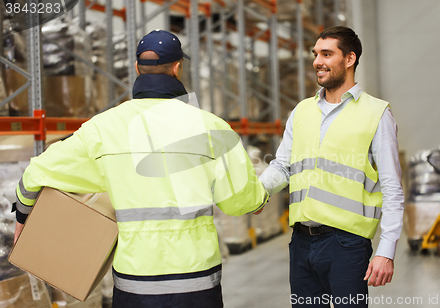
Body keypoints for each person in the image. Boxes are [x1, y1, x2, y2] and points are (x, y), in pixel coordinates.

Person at [13, 30, 268, 308]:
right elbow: (241, 201)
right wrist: (259, 199)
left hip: (135, 281)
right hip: (196, 279)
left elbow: (36, 174)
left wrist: (23, 218)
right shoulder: (212, 127)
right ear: (177, 67)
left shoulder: (103, 127)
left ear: (136, 68)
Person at [259, 26, 404, 307]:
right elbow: (283, 166)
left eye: (327, 54)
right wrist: (258, 192)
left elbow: (392, 188)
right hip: (301, 243)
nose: (317, 62)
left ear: (349, 59)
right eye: (315, 54)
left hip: (347, 245)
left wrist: (386, 251)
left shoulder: (376, 114)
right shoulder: (301, 111)